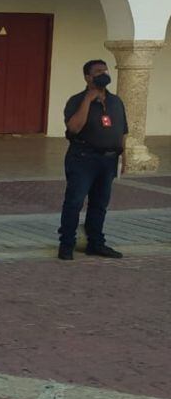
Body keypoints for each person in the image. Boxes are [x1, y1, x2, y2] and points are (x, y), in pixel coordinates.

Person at [57, 59, 128, 261]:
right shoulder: (76, 100)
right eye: (98, 71)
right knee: (75, 201)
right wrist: (88, 99)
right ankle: (66, 244)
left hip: (109, 160)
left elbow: (122, 131)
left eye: (105, 70)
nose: (103, 73)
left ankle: (96, 243)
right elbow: (74, 128)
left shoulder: (116, 101)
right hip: (83, 158)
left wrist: (124, 154)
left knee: (99, 203)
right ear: (88, 77)